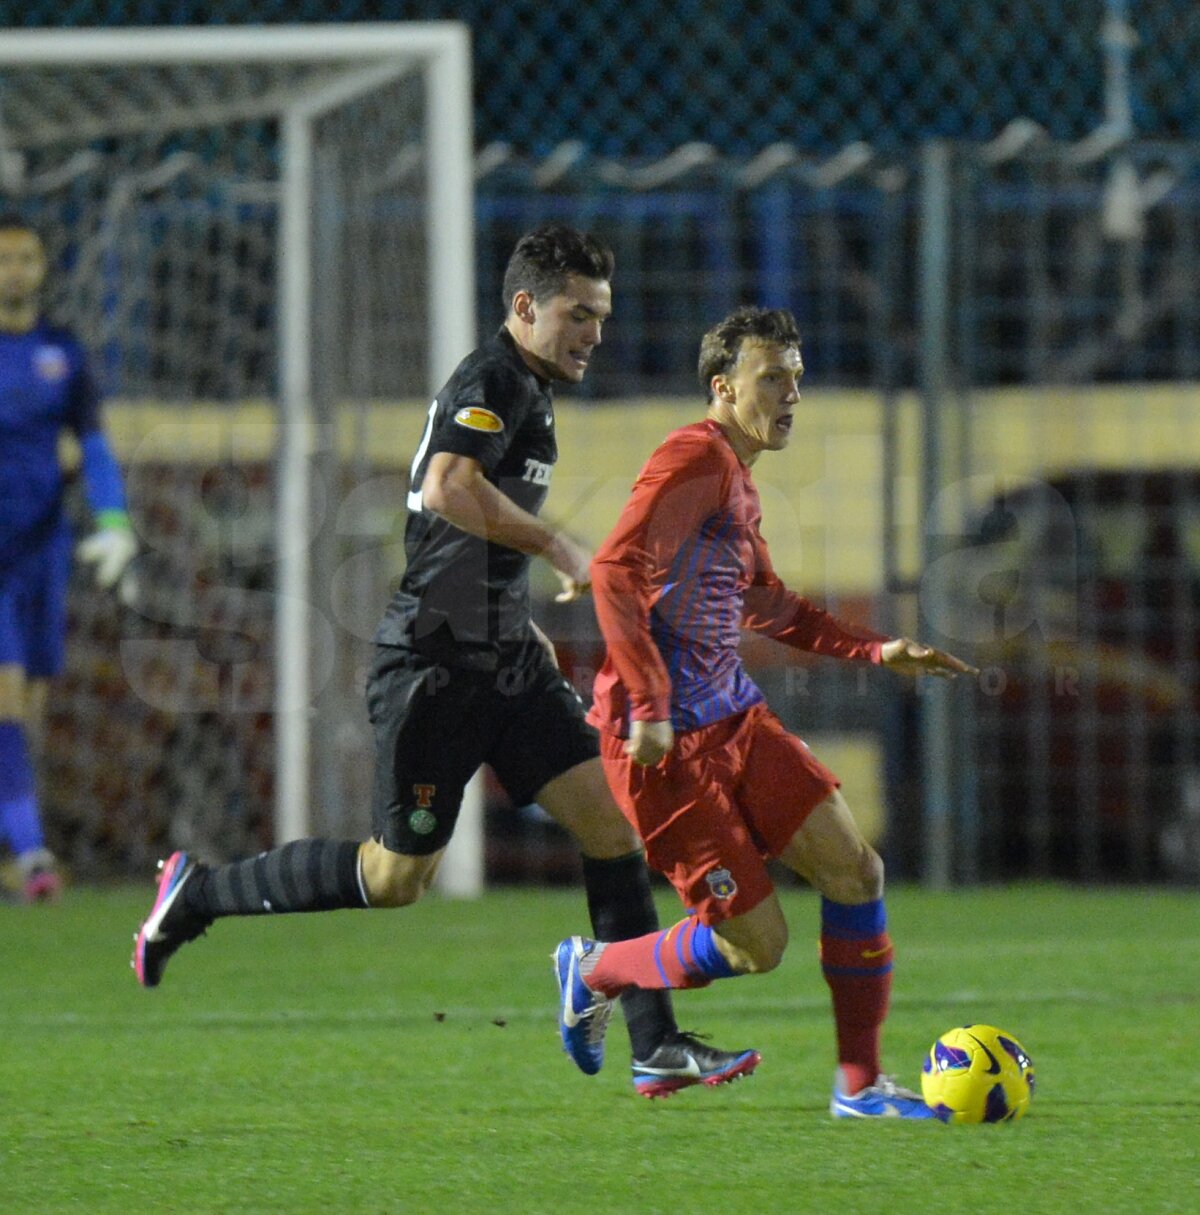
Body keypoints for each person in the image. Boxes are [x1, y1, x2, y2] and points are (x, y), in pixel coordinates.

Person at [133, 223, 758, 1098]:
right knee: (396, 878)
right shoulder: (492, 379)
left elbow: (461, 534)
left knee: (613, 824)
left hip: (503, 657)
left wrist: (520, 617)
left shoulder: (533, 393)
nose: (594, 334)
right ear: (524, 306)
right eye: (578, 314)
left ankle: (652, 1041)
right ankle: (197, 892)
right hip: (431, 668)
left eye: (603, 318)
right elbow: (446, 489)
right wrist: (562, 549)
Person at [553, 305, 977, 1117]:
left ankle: (859, 1087)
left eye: (797, 377)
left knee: (857, 870)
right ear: (723, 386)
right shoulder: (693, 459)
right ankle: (599, 969)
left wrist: (877, 650)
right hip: (665, 746)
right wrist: (646, 702)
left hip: (736, 720)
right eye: (771, 377)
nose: (790, 393)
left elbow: (767, 602)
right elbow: (612, 573)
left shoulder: (736, 480)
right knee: (759, 946)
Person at [0, 214, 137, 902]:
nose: (16, 270)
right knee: (4, 697)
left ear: (44, 267)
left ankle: (18, 838)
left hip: (43, 549)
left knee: (29, 707)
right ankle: (32, 855)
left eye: (27, 257)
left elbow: (93, 443)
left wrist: (114, 520)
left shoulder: (63, 352)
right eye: (5, 259)